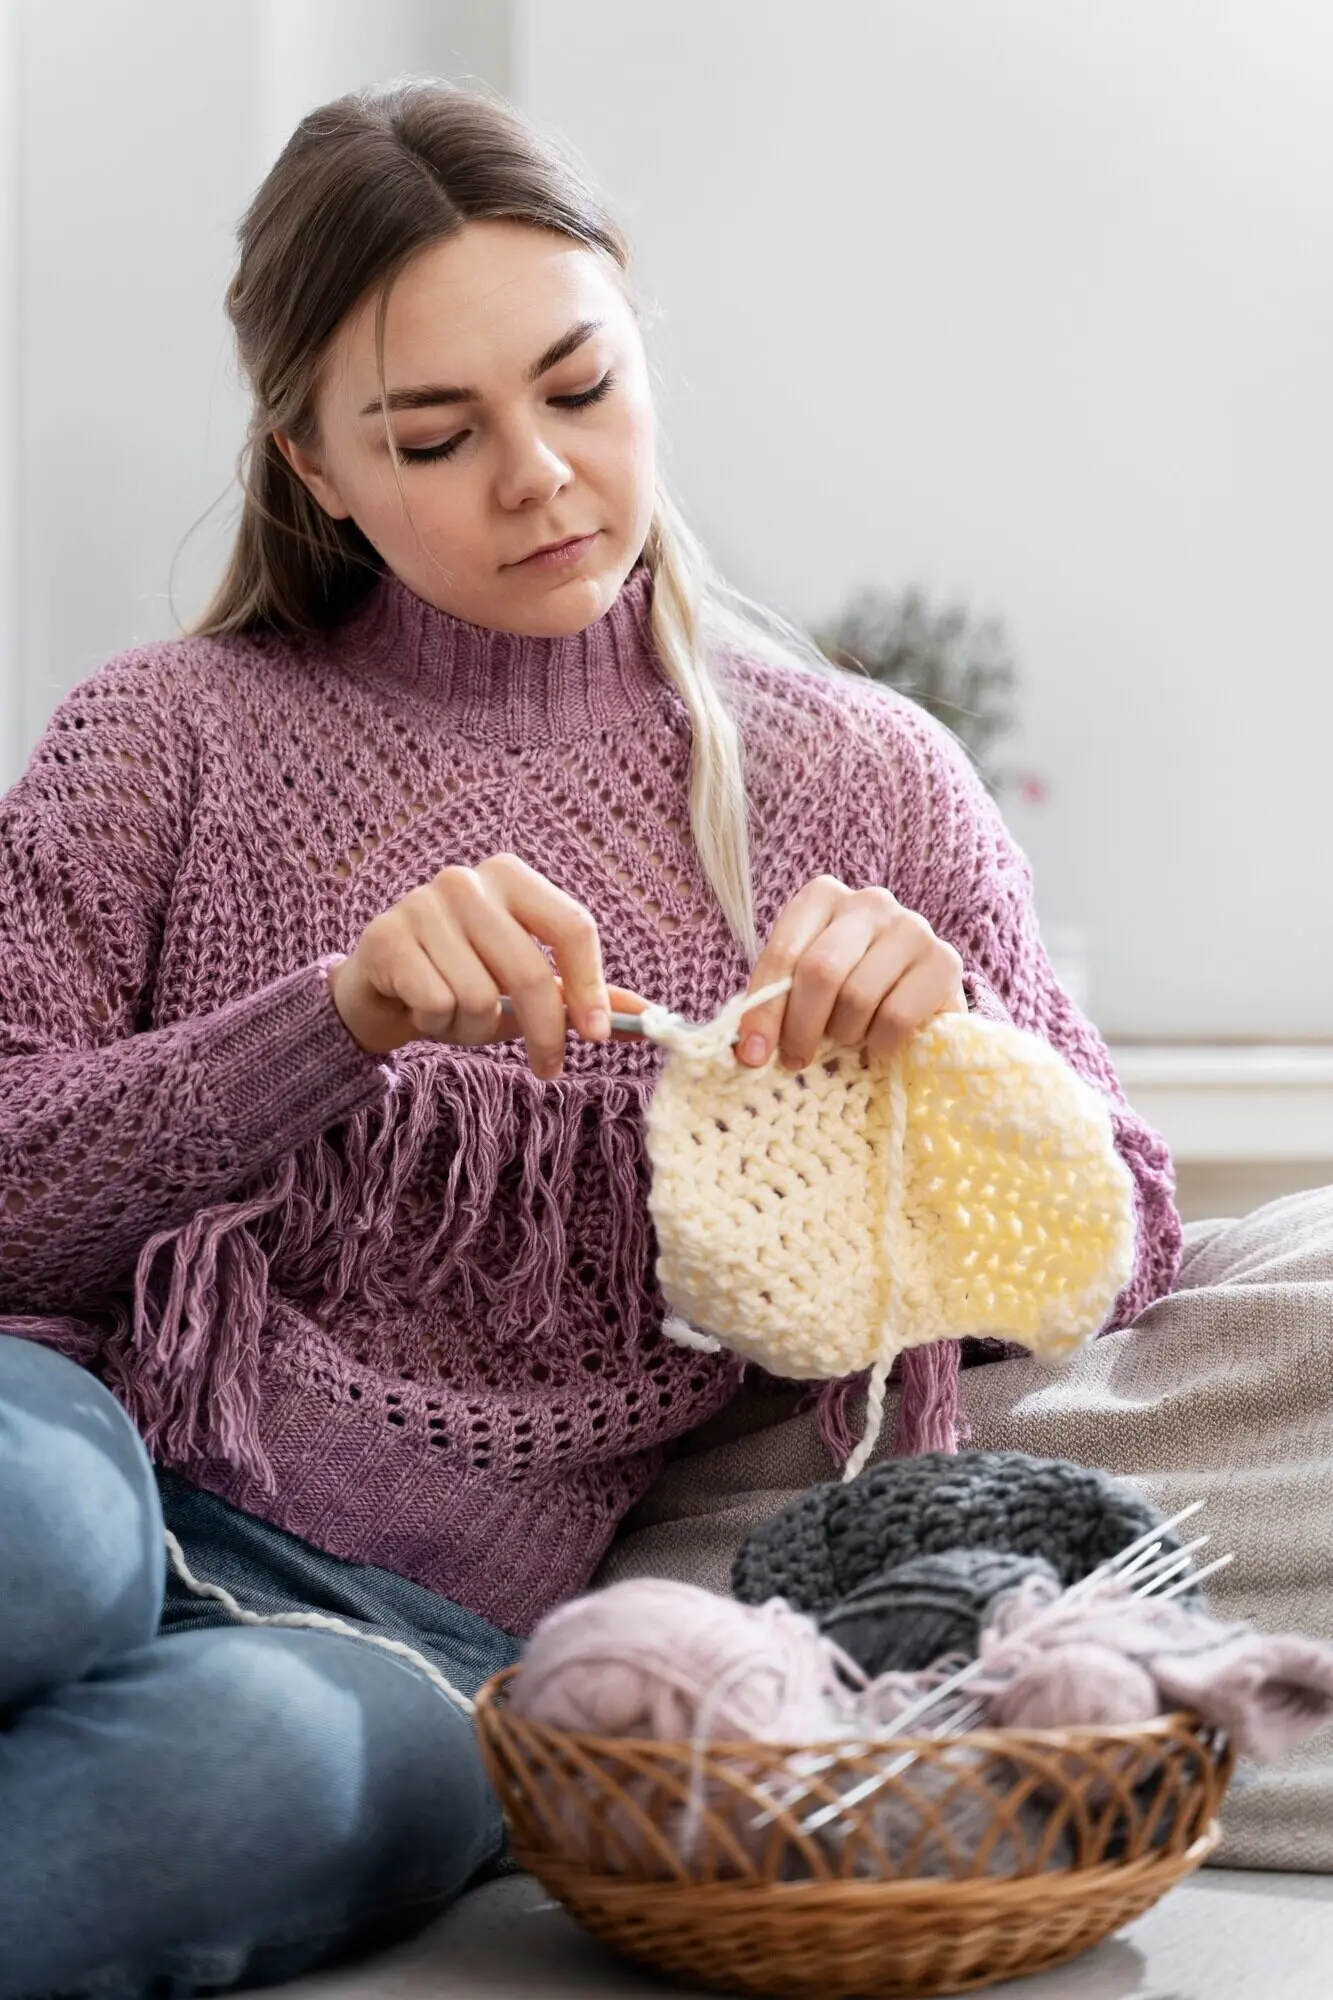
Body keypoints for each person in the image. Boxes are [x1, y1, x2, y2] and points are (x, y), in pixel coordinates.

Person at [0, 80, 1181, 1999]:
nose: (541, 476)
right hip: (81, 1438)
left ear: (636, 335)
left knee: (245, 1782)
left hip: (417, 1633)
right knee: (35, 1548)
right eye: (436, 435)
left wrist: (943, 1052)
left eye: (579, 383)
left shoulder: (862, 778)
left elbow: (1117, 1234)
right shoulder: (163, 738)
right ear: (316, 466)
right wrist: (331, 1021)